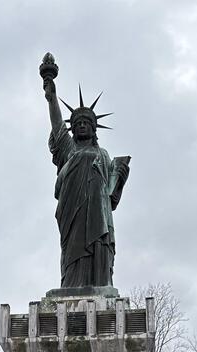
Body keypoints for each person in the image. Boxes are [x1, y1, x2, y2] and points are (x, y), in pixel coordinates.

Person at [42, 68, 130, 287]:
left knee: (99, 246)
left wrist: (120, 174)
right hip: (72, 210)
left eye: (86, 123)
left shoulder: (103, 154)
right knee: (72, 249)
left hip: (98, 215)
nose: (81, 125)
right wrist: (51, 96)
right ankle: (71, 287)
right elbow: (57, 125)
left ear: (93, 129)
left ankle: (100, 285)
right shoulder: (68, 149)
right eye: (78, 123)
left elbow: (112, 193)